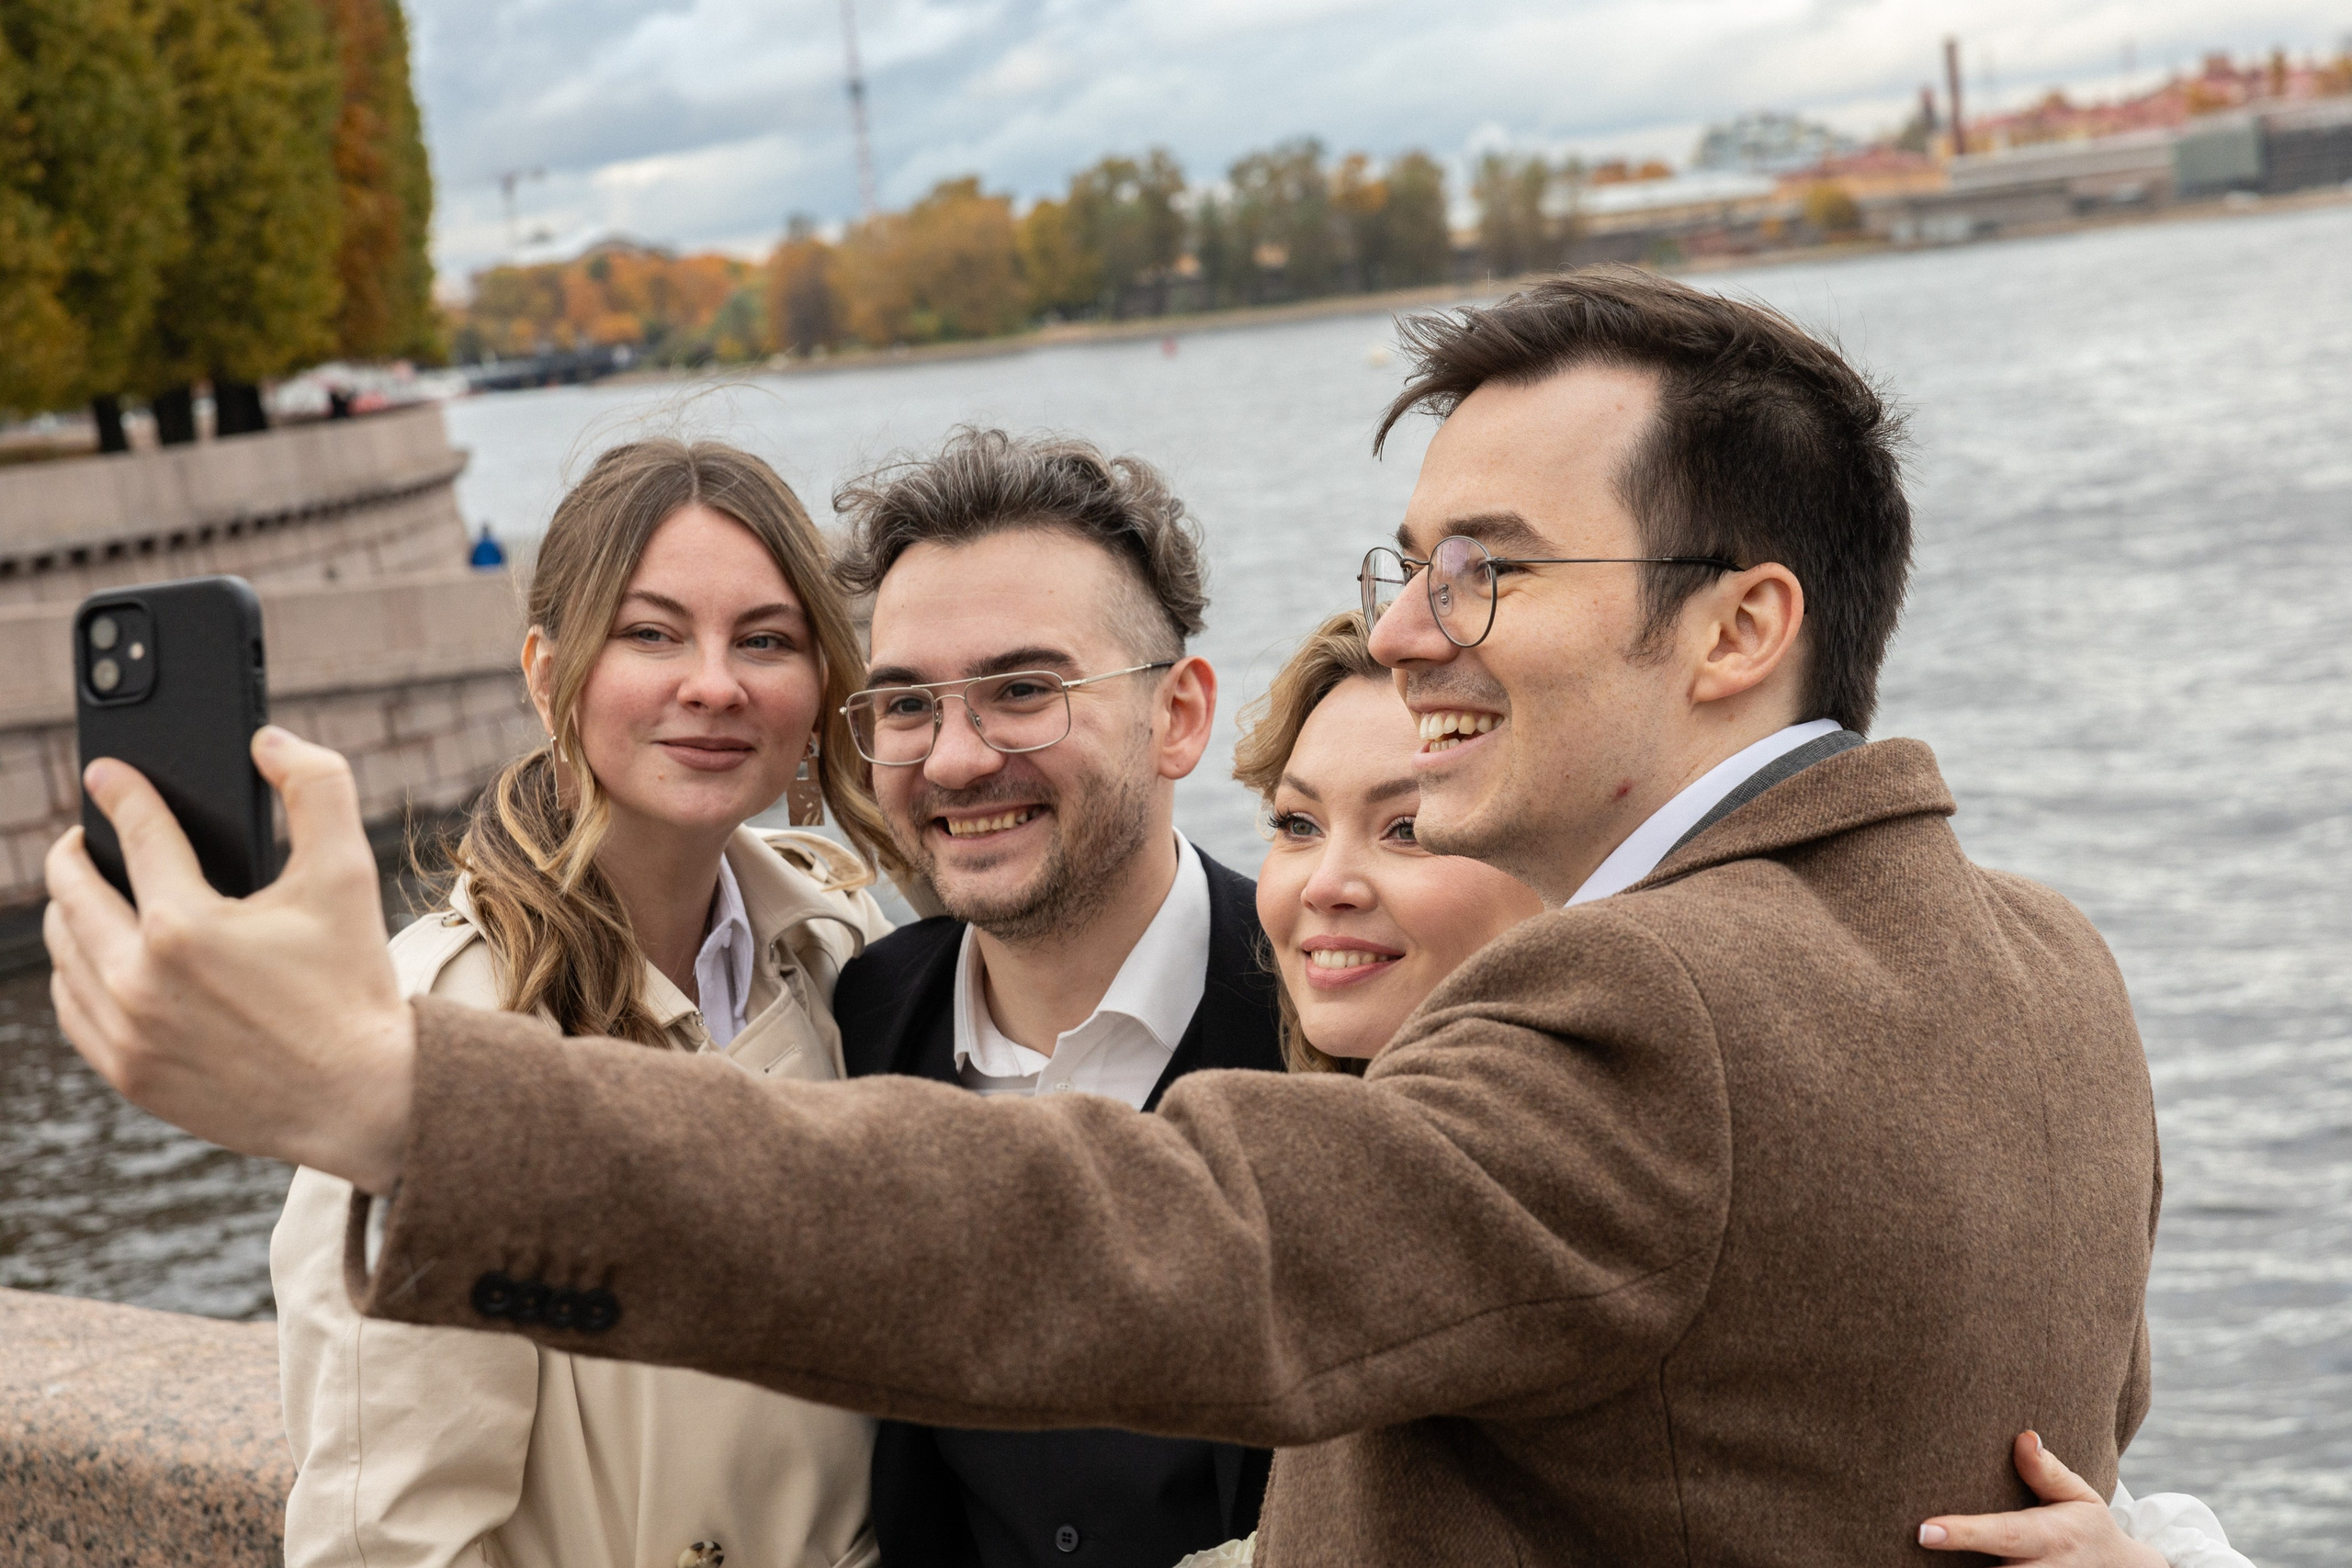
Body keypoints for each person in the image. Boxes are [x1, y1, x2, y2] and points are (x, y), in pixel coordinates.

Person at [49, 267, 2164, 1565]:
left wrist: (393, 1094)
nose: (1407, 629)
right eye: (1408, 556)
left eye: (1488, 568)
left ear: (1740, 625)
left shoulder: (1635, 1005)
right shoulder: (2049, 960)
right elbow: (2045, 1442)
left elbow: (1126, 1234)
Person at [1200, 608, 2250, 1568]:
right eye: (1294, 825)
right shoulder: (1297, 1098)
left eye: (1407, 830)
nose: (1323, 882)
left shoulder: (1669, 1081)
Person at [270, 440, 896, 1568]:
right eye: (650, 633)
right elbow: (390, 1543)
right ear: (546, 673)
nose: (714, 683)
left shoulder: (848, 953)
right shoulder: (442, 1033)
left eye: (765, 639)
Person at [824, 431, 1282, 1566]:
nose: (954, 759)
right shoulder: (860, 1024)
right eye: (905, 705)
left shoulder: (1338, 1028)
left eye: (1023, 691)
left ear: (1177, 717)